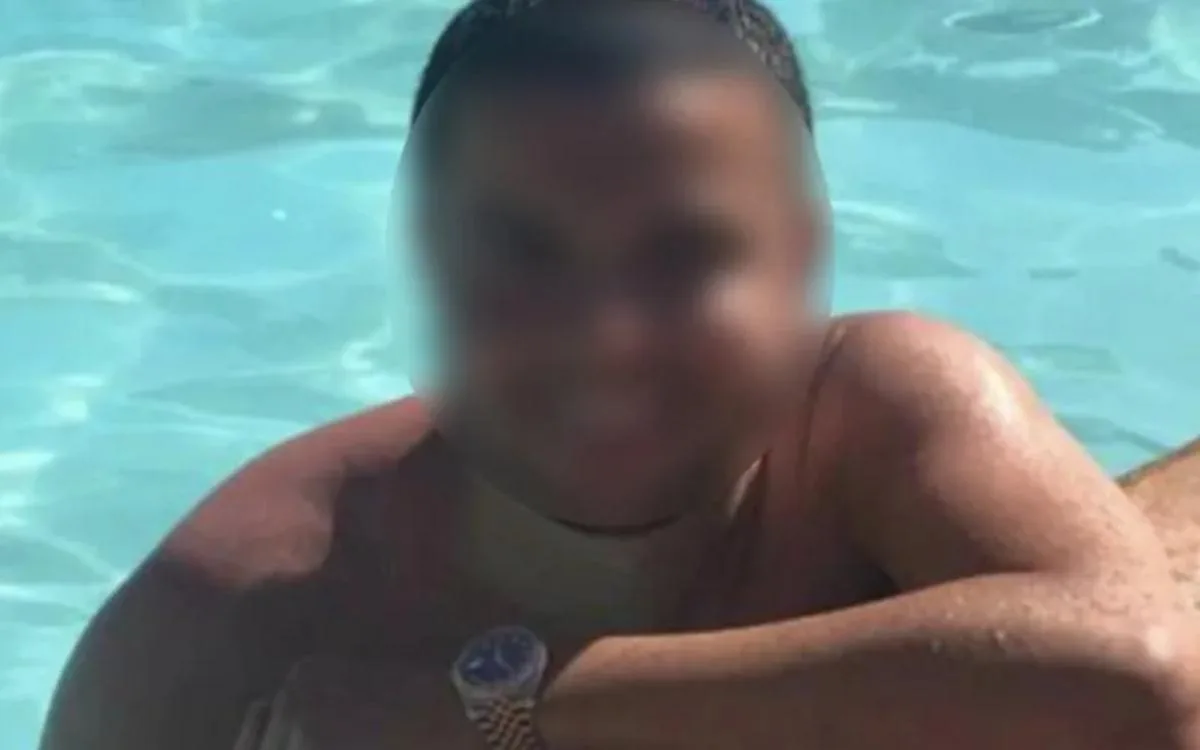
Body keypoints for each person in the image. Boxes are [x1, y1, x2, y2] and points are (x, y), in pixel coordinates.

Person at [39, 0, 1199, 749]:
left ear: (802, 262)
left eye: (685, 254)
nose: (605, 333)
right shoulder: (233, 625)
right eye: (521, 253)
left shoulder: (876, 410)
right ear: (426, 266)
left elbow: (1144, 674)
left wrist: (486, 708)